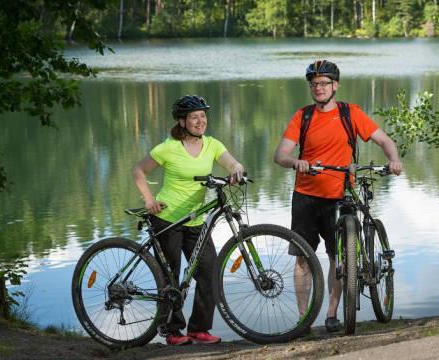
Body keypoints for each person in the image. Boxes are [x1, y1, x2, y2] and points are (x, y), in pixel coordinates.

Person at [273, 60, 403, 332]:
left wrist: (393, 160)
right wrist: (295, 162)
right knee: (302, 259)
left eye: (323, 83)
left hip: (340, 196)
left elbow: (385, 141)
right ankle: (303, 318)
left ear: (335, 86)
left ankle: (332, 313)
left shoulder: (350, 113)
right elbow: (280, 155)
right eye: (314, 84)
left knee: (340, 259)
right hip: (305, 196)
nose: (318, 88)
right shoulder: (303, 117)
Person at [133, 95, 244, 346]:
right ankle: (172, 332)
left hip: (196, 221)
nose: (200, 121)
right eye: (194, 117)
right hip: (168, 219)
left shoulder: (212, 144)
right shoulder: (168, 147)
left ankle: (198, 329)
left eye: (203, 116)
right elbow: (138, 170)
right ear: (182, 121)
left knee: (210, 272)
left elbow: (230, 162)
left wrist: (236, 169)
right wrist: (149, 200)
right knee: (171, 279)